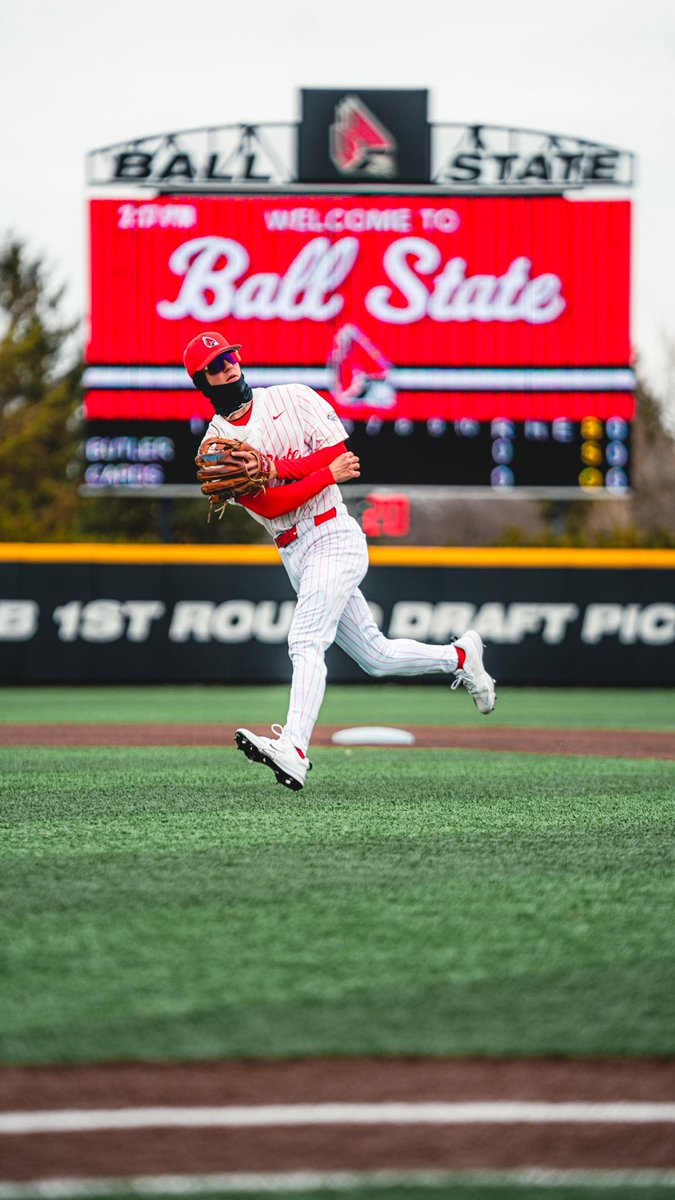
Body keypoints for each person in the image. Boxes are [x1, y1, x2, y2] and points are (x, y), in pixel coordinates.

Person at [183, 330, 497, 790]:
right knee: (376, 655)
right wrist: (316, 472)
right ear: (202, 380)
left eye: (230, 356)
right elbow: (271, 505)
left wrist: (285, 469)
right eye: (216, 365)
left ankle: (293, 747)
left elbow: (338, 456)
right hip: (294, 550)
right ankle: (460, 656)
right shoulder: (215, 446)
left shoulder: (292, 398)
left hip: (333, 533)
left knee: (305, 638)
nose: (229, 366)